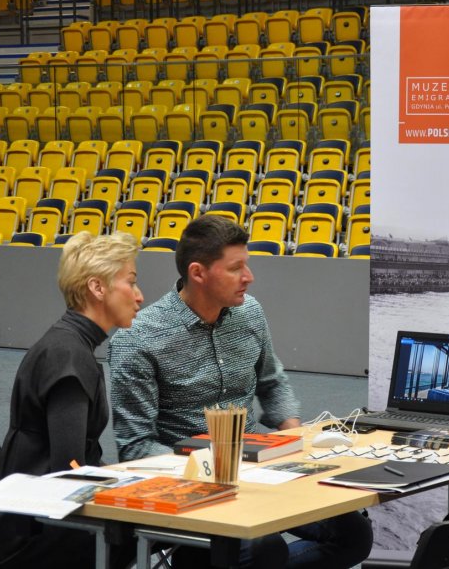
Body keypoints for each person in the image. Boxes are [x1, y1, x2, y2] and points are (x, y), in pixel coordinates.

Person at [109, 215, 373, 569]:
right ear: (198, 273)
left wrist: (294, 436)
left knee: (354, 534)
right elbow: (135, 446)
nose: (248, 277)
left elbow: (272, 381)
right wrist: (208, 468)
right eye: (235, 268)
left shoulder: (250, 313)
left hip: (257, 466)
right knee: (263, 549)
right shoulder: (138, 339)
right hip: (187, 481)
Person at [0, 232, 143, 569]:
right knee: (162, 528)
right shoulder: (69, 354)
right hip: (32, 531)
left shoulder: (68, 344)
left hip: (28, 515)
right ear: (97, 288)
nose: (139, 295)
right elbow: (69, 469)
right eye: (131, 282)